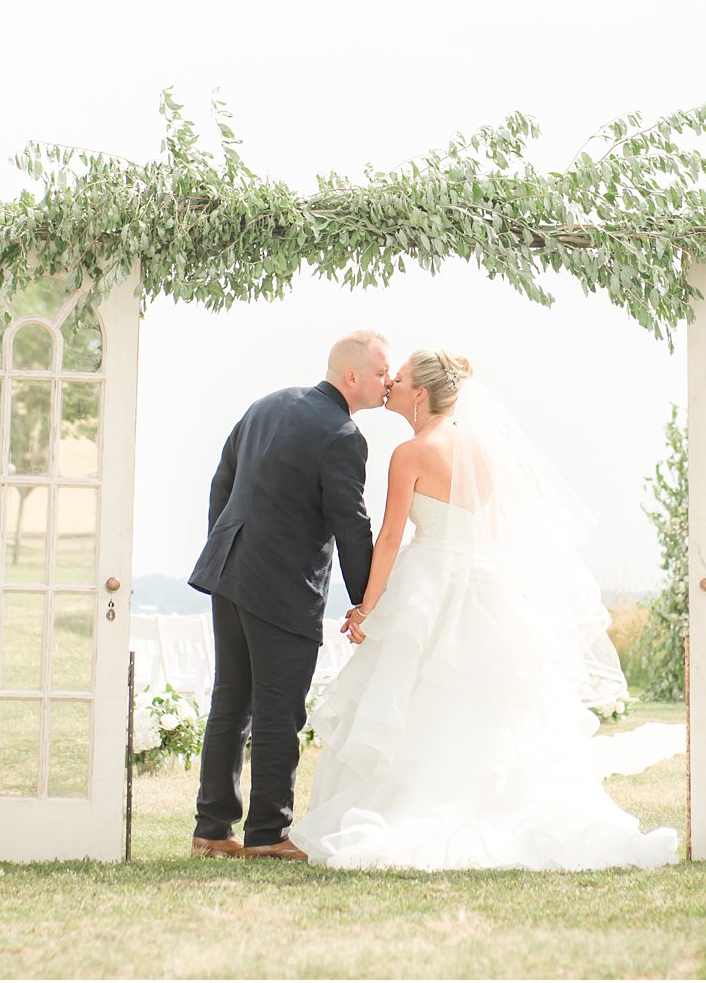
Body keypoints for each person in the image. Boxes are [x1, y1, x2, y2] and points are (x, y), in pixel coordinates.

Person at [288, 350, 683, 870]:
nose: (392, 387)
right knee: (494, 703)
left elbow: (387, 538)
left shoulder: (409, 453)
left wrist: (366, 607)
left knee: (413, 692)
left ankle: (400, 808)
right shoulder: (482, 450)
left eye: (399, 380)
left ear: (421, 394)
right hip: (483, 583)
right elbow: (492, 530)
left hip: (426, 581)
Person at [187, 331, 392, 860]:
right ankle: (267, 835)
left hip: (227, 571)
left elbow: (221, 483)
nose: (387, 381)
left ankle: (211, 830)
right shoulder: (344, 434)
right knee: (279, 710)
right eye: (380, 373)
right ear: (352, 377)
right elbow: (351, 524)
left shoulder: (268, 403)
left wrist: (224, 550)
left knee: (231, 699)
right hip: (280, 585)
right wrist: (368, 602)